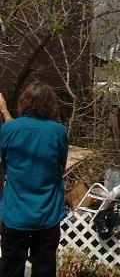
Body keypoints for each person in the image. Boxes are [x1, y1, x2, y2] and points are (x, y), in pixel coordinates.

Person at [0, 83, 68, 277]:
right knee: (44, 269)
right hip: (47, 214)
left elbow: (4, 163)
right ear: (50, 104)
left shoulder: (8, 130)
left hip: (15, 213)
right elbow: (61, 165)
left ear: (24, 101)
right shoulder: (58, 131)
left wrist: (5, 112)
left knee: (11, 269)